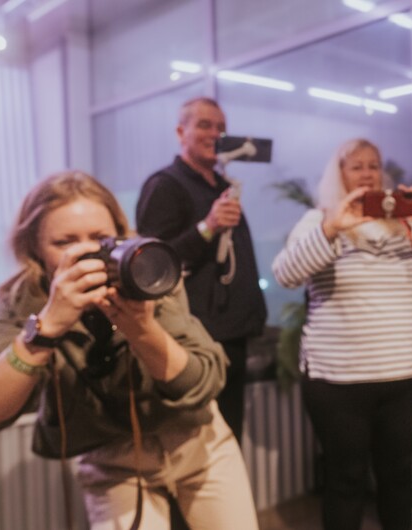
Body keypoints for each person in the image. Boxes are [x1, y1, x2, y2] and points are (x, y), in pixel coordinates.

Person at [0, 171, 259, 529]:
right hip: (114, 462)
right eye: (65, 242)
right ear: (34, 247)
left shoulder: (146, 273)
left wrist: (142, 329)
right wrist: (45, 330)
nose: (86, 252)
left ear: (121, 233)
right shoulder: (26, 300)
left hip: (196, 442)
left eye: (100, 238)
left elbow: (202, 382)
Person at [271, 138, 412, 530]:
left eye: (374, 165)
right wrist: (332, 228)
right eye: (357, 166)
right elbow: (286, 273)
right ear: (340, 174)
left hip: (402, 375)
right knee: (345, 481)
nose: (367, 173)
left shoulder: (407, 226)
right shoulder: (319, 220)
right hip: (338, 379)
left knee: (398, 478)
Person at [136, 96, 267, 445]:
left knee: (228, 438)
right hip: (196, 336)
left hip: (232, 333)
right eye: (204, 125)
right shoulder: (164, 186)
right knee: (197, 440)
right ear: (181, 132)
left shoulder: (223, 187)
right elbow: (150, 265)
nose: (215, 134)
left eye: (221, 128)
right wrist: (207, 228)